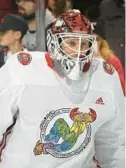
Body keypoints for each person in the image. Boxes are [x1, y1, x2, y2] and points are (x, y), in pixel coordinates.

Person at [0, 10, 125, 168]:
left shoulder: (104, 76)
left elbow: (114, 143)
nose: (78, 51)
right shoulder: (23, 68)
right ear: (55, 42)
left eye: (84, 43)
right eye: (71, 43)